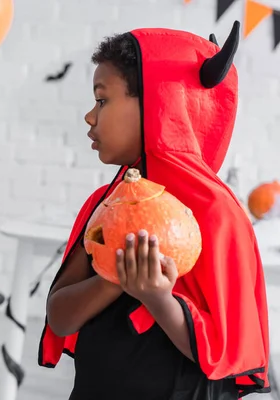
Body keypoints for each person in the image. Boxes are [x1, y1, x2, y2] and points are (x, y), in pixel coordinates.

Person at [38, 21, 270, 399]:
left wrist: (157, 297)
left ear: (159, 104)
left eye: (102, 100)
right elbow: (60, 317)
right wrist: (113, 278)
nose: (90, 117)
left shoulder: (217, 214)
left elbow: (221, 355)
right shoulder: (106, 205)